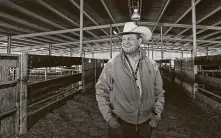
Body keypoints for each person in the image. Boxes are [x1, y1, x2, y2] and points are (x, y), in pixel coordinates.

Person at [96, 22, 165, 138]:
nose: (125, 42)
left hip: (146, 122)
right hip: (120, 122)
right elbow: (101, 91)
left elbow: (159, 92)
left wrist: (157, 115)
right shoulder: (112, 64)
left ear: (139, 41)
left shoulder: (151, 65)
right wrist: (109, 118)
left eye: (129, 38)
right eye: (123, 39)